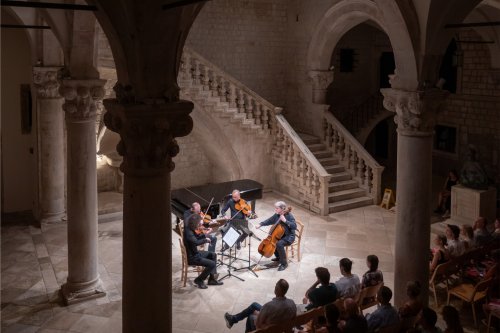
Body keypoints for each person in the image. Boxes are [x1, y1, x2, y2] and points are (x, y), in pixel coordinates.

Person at [224, 279, 296, 332]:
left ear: (276, 289)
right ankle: (233, 319)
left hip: (270, 330)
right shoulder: (292, 303)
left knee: (251, 317)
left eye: (275, 285)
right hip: (281, 326)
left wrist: (258, 314)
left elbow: (258, 325)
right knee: (254, 305)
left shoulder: (268, 306)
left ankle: (233, 320)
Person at [183, 214, 223, 289]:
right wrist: (205, 240)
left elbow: (197, 237)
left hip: (195, 253)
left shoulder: (189, 229)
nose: (200, 225)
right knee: (212, 264)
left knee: (213, 255)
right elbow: (196, 242)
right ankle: (199, 280)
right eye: (199, 223)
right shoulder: (188, 233)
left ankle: (211, 279)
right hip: (192, 257)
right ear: (194, 223)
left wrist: (205, 235)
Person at [256, 201, 296, 271]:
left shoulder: (289, 216)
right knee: (274, 241)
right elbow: (269, 220)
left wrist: (285, 221)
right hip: (280, 235)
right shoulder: (277, 215)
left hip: (288, 236)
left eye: (277, 208)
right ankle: (279, 258)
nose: (275, 210)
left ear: (282, 208)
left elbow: (294, 226)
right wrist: (261, 224)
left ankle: (284, 263)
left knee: (279, 244)